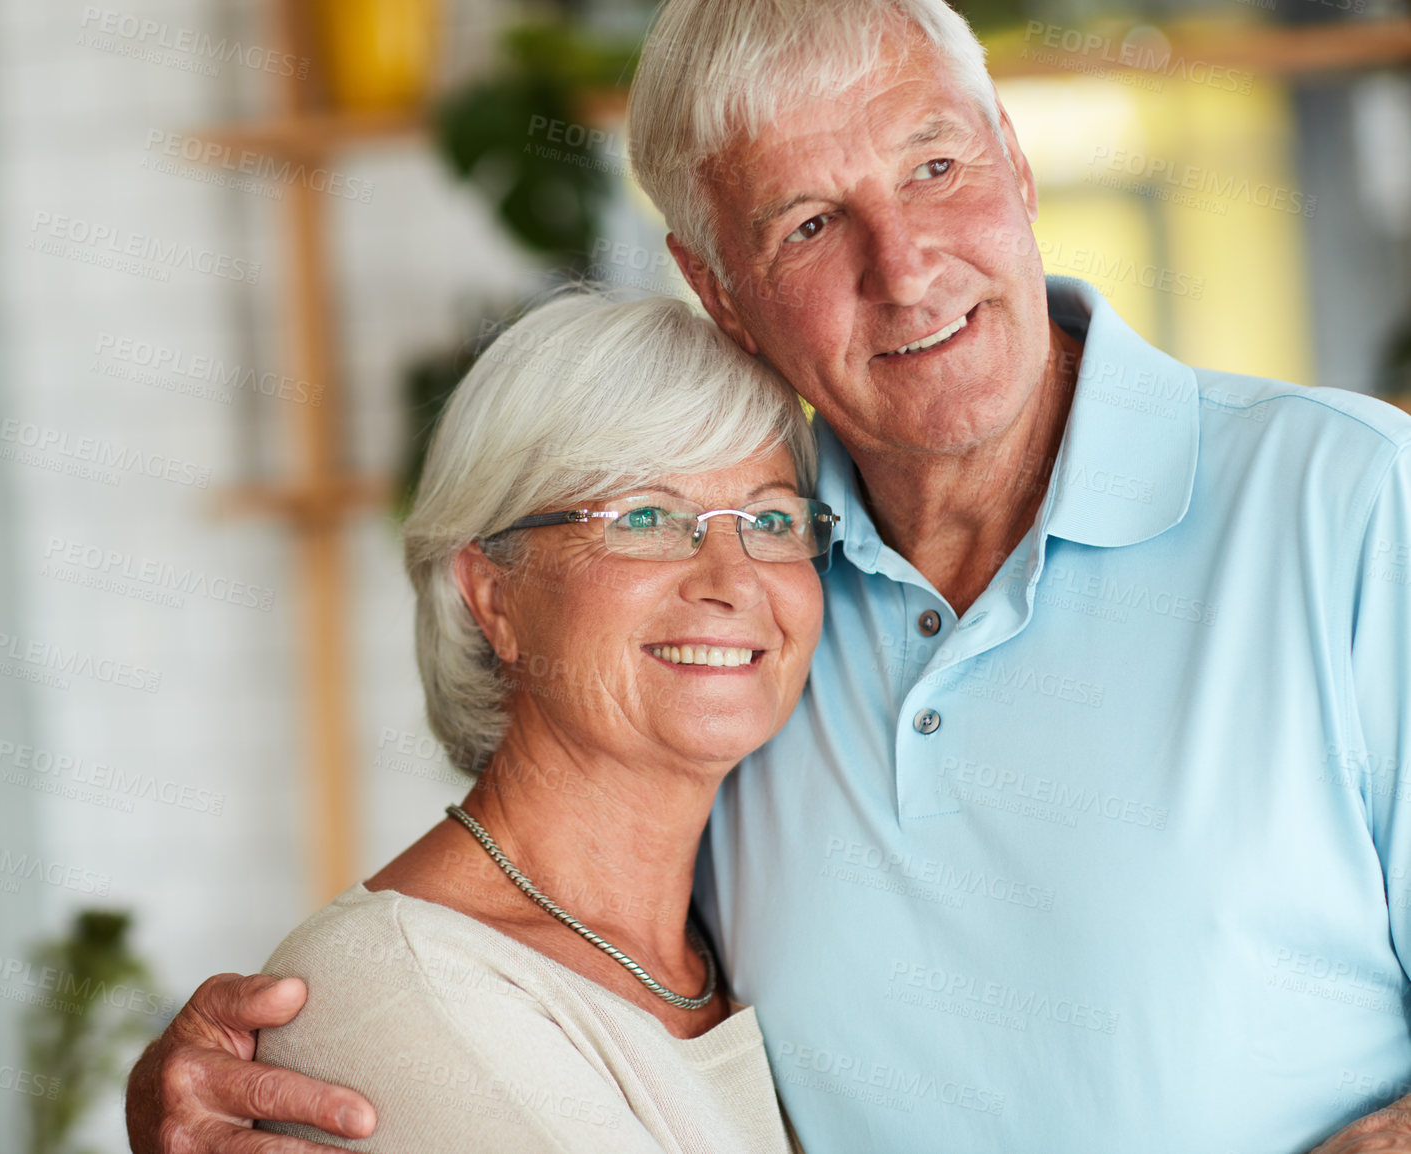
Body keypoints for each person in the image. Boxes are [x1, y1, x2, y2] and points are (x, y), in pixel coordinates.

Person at [126, 1, 1411, 1151]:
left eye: (935, 166)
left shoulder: (1355, 505)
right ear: (719, 290)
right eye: (807, 223)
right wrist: (240, 1064)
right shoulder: (755, 644)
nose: (904, 268)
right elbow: (511, 966)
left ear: (1014, 160)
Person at [251, 292, 827, 1152]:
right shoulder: (393, 984)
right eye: (644, 518)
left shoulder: (746, 936)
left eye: (771, 520)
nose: (733, 580)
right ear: (492, 596)